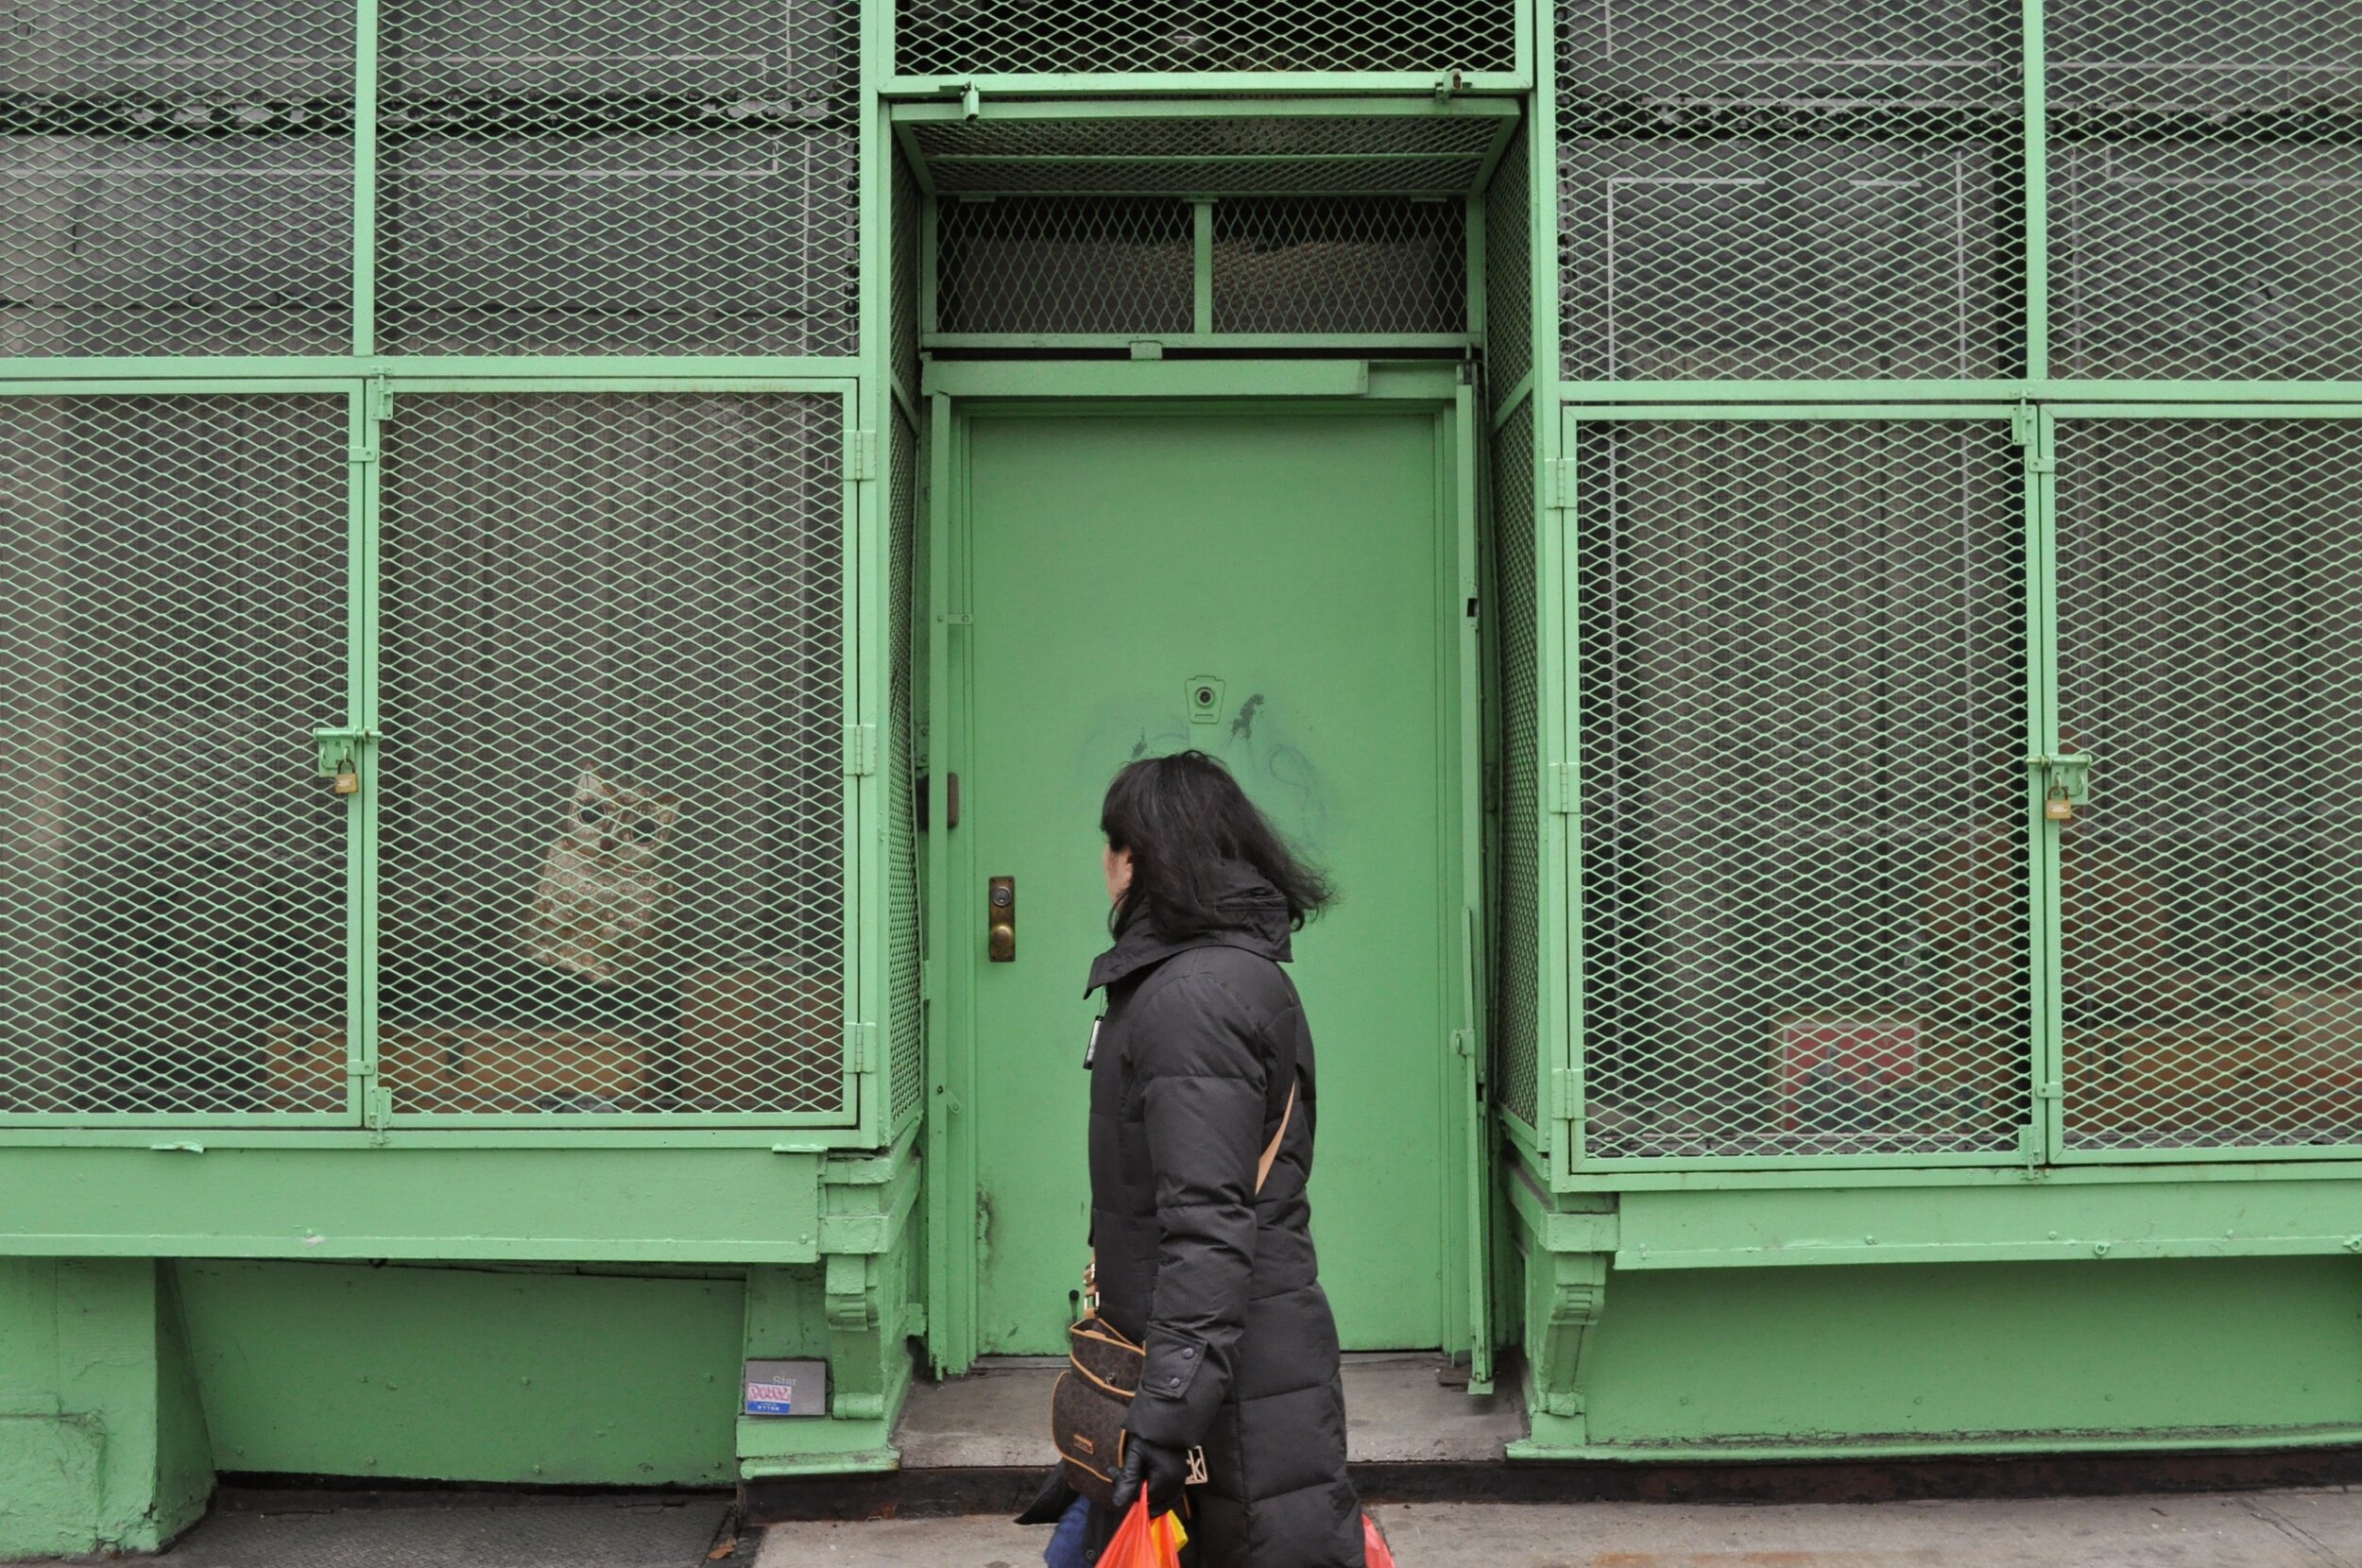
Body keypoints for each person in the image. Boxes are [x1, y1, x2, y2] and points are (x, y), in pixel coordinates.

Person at [1078, 750, 1364, 1567]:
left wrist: (1165, 1417)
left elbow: (1205, 1227)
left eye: (1110, 846)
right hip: (1231, 1363)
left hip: (1228, 1395)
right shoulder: (1217, 978)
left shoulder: (1191, 998)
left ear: (1137, 856)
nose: (1103, 865)